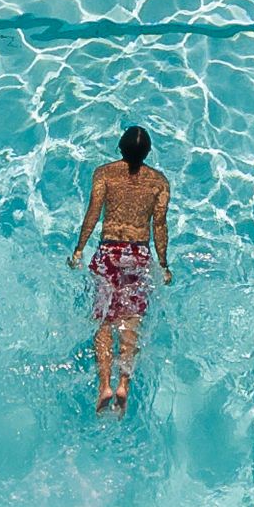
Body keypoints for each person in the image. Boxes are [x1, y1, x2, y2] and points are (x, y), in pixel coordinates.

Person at [71, 123, 171, 416]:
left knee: (103, 318)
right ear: (148, 153)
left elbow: (93, 212)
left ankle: (104, 384)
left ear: (119, 148)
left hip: (109, 253)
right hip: (138, 254)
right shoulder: (158, 182)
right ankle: (123, 383)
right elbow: (159, 226)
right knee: (132, 318)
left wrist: (79, 248)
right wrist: (163, 264)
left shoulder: (104, 173)